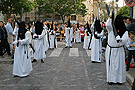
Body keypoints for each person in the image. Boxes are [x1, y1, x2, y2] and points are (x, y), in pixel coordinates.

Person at [105, 15, 128, 85]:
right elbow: (108, 25)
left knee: (119, 66)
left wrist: (120, 40)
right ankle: (110, 79)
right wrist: (110, 18)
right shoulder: (111, 28)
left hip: (119, 50)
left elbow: (125, 39)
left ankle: (119, 79)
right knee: (111, 66)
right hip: (111, 49)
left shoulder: (124, 31)